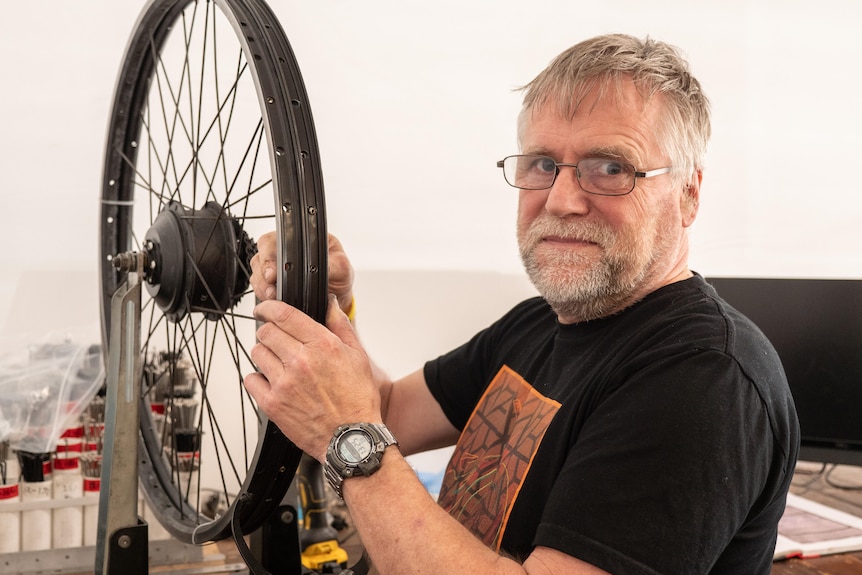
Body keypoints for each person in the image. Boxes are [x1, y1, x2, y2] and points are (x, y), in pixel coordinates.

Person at [244, 34, 799, 575]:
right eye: (541, 165)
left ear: (688, 195)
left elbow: (358, 425)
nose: (561, 199)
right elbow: (384, 412)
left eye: (610, 168)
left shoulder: (705, 380)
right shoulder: (538, 324)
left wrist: (348, 438)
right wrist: (330, 309)